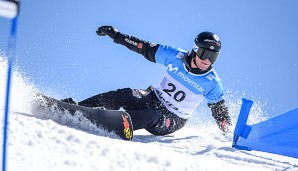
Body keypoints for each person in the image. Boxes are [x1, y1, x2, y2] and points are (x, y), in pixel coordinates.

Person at [62, 25, 232, 136]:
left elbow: (220, 113)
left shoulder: (212, 83)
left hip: (173, 118)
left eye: (213, 57)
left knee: (152, 115)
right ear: (195, 51)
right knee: (128, 94)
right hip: (153, 97)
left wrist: (228, 132)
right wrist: (117, 36)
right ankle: (79, 108)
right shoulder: (175, 56)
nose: (207, 60)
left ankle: (117, 125)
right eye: (204, 54)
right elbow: (143, 47)